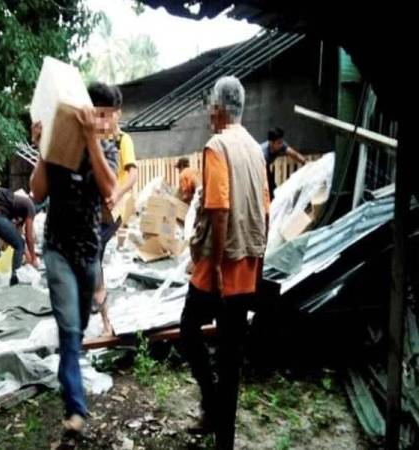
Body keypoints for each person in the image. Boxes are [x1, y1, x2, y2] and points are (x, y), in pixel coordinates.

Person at [181, 76, 270, 450]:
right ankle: (225, 442)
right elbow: (266, 211)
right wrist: (259, 265)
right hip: (248, 268)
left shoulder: (217, 146)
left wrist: (215, 266)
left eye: (208, 106)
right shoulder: (254, 147)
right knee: (231, 360)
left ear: (217, 108)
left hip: (219, 268)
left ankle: (211, 403)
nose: (207, 112)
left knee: (189, 329)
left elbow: (218, 207)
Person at [30, 82, 119, 439]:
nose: (102, 121)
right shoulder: (58, 144)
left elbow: (109, 187)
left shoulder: (107, 146)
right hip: (57, 249)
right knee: (68, 330)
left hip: (88, 252)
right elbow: (37, 192)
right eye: (98, 113)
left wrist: (91, 139)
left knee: (78, 329)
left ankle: (72, 387)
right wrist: (42, 148)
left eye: (106, 116)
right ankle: (75, 411)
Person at [92, 83, 138, 337]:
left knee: (93, 258)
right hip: (93, 213)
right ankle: (98, 312)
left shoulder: (123, 140)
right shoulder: (96, 140)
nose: (105, 119)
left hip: (111, 213)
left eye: (108, 113)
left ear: (117, 113)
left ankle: (106, 321)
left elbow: (132, 173)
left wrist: (116, 193)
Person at [0, 187, 38, 286]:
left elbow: (17, 233)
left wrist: (26, 253)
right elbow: (28, 237)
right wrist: (33, 258)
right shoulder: (30, 206)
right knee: (20, 245)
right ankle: (15, 279)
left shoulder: (16, 203)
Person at [261, 127, 305, 199]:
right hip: (257, 167)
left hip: (265, 166)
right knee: (265, 190)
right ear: (271, 142)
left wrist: (304, 161)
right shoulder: (263, 153)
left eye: (281, 142)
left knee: (273, 189)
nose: (281, 145)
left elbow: (294, 154)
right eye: (279, 143)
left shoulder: (280, 145)